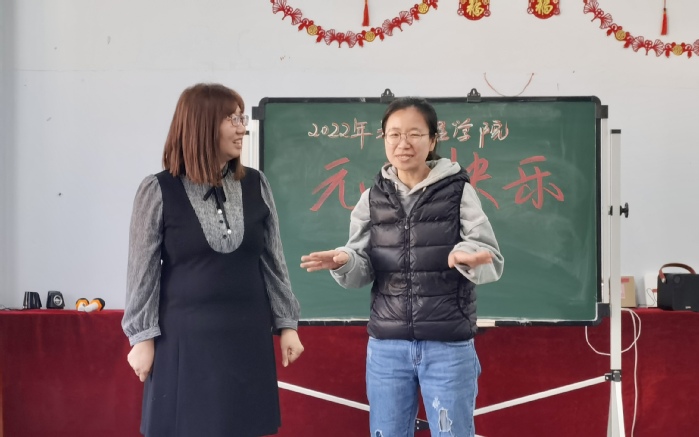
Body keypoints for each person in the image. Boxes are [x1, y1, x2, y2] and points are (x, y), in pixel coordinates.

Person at [301, 97, 504, 437]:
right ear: (384, 139)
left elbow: (490, 258)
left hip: (447, 345)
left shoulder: (459, 192)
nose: (403, 143)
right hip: (387, 348)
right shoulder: (371, 198)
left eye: (414, 134)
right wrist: (345, 261)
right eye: (394, 134)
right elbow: (361, 268)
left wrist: (467, 256)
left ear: (433, 140)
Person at [122, 83, 304, 437]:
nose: (242, 127)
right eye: (232, 119)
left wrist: (288, 325)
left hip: (247, 338)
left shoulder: (257, 184)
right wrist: (141, 338)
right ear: (202, 125)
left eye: (242, 118)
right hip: (183, 341)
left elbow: (273, 262)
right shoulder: (158, 189)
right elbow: (142, 273)